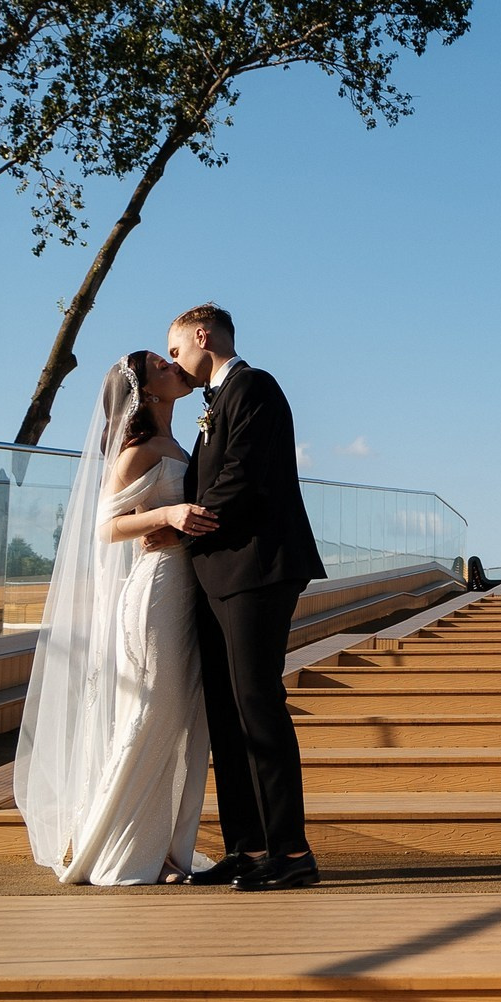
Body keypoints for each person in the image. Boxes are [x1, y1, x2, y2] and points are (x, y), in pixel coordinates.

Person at [12, 350, 216, 886]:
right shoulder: (137, 451)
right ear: (146, 392)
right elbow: (106, 527)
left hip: (192, 592)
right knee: (151, 715)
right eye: (161, 366)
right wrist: (169, 514)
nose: (175, 369)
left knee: (180, 724)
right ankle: (117, 849)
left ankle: (166, 848)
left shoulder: (180, 443)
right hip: (157, 594)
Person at [166, 303, 329, 892]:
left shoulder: (254, 386)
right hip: (217, 573)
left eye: (177, 349)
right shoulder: (214, 403)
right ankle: (247, 845)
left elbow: (242, 473)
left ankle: (290, 851)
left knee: (258, 705)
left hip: (258, 568)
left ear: (203, 336)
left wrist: (183, 523)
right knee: (227, 712)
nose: (175, 361)